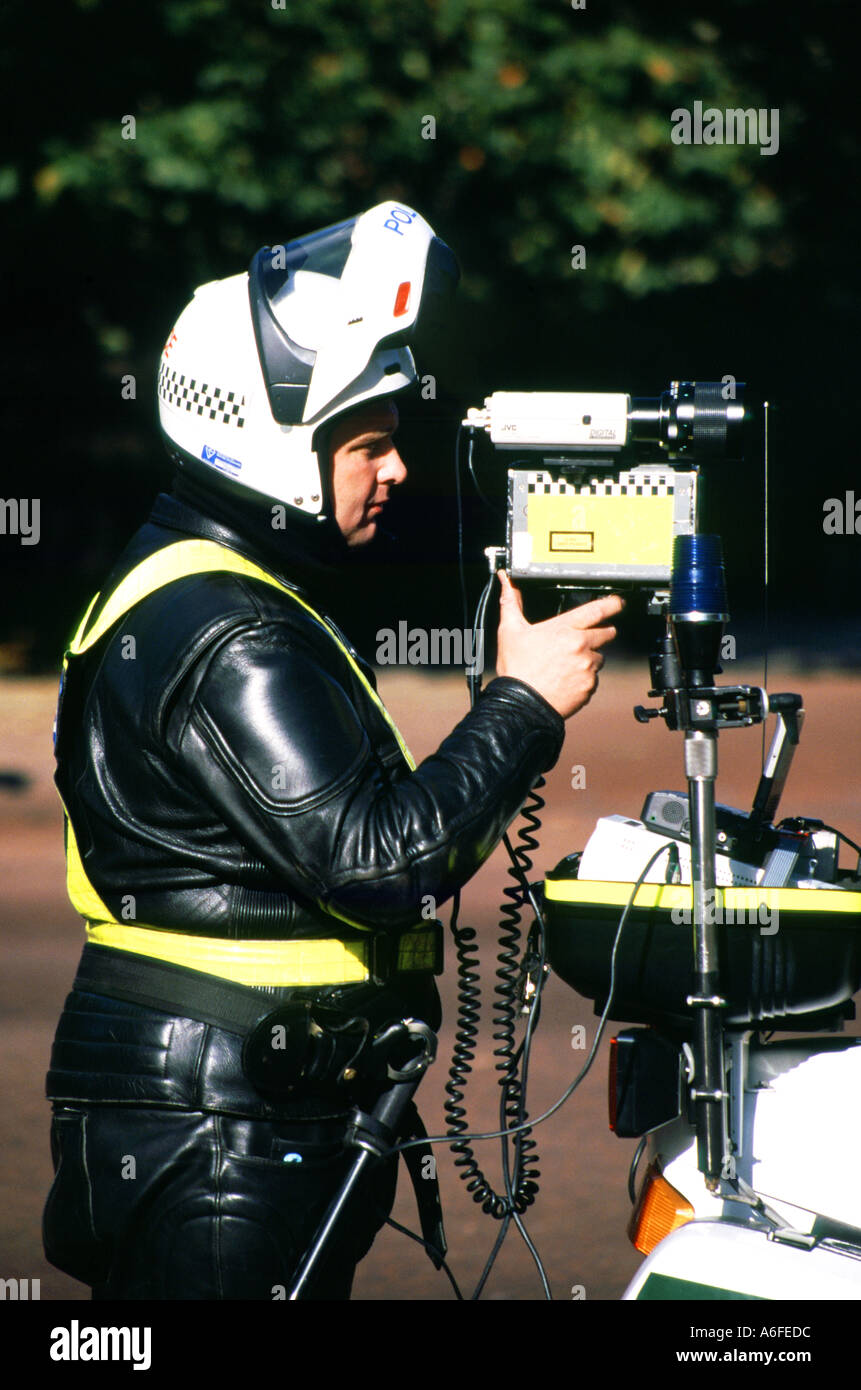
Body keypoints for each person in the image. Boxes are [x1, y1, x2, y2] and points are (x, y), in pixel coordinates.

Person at [43, 203, 622, 1300]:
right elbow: (378, 860)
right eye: (367, 441)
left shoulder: (215, 595)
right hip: (220, 1131)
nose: (394, 468)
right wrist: (524, 703)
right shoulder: (227, 628)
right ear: (272, 446)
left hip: (239, 1112)